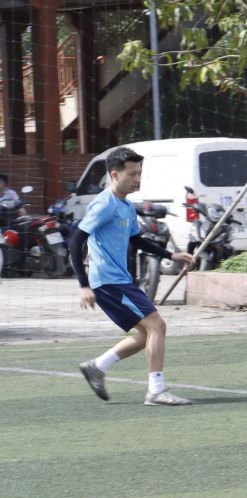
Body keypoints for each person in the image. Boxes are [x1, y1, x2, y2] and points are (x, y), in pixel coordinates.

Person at [70, 146, 195, 406]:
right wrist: (83, 285)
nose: (137, 179)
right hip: (107, 282)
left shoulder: (125, 206)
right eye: (132, 174)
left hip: (119, 280)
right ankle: (156, 391)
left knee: (147, 334)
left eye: (139, 173)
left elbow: (136, 240)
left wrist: (171, 255)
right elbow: (76, 240)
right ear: (114, 175)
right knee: (157, 326)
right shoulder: (104, 204)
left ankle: (97, 366)